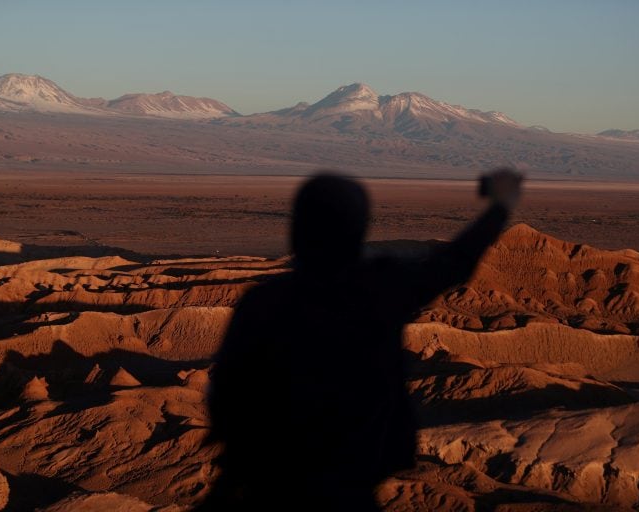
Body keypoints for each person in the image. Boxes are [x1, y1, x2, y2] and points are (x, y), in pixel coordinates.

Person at [200, 169, 523, 511]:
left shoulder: (263, 302)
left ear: (298, 231)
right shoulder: (377, 292)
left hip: (266, 488)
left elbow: (225, 393)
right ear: (357, 231)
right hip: (346, 489)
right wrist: (500, 207)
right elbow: (453, 261)